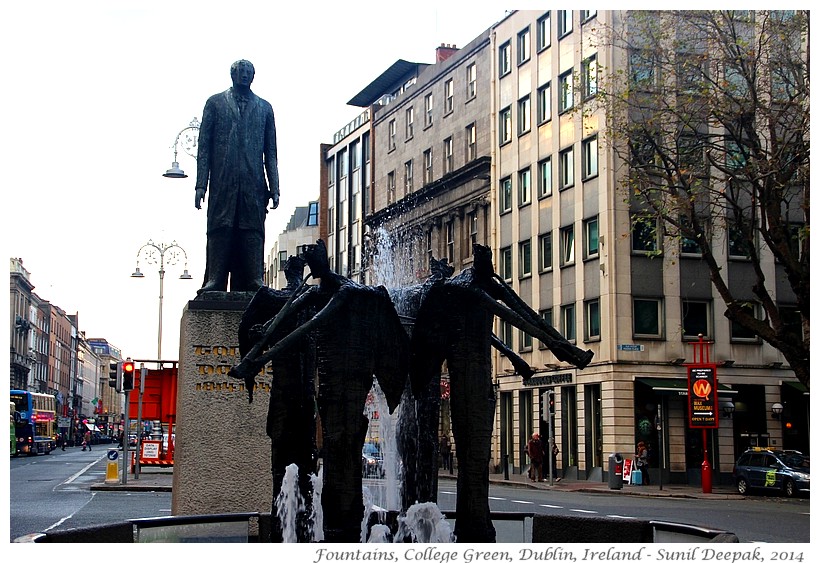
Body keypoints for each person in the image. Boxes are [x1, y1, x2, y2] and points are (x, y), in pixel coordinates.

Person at [194, 59, 280, 294]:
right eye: (240, 72)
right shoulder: (215, 103)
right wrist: (201, 184)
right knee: (221, 226)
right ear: (232, 75)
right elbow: (204, 147)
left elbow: (270, 151)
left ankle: (254, 279)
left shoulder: (265, 108)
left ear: (253, 76)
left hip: (253, 182)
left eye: (247, 72)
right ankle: (215, 278)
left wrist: (275, 186)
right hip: (223, 180)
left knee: (252, 229)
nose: (244, 75)